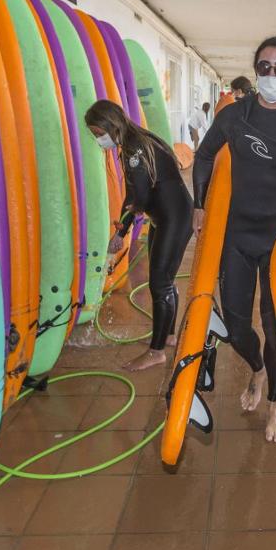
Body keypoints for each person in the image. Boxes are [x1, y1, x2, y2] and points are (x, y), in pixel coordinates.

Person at [193, 38, 276, 442]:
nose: (272, 75)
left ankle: (275, 405)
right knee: (236, 328)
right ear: (256, 70)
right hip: (236, 236)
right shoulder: (236, 116)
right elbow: (203, 155)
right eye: (265, 67)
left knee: (275, 329)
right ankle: (256, 369)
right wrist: (199, 204)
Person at [85, 100, 193, 371]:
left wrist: (121, 230)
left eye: (99, 133)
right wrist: (125, 223)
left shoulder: (134, 149)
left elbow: (138, 198)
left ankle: (156, 352)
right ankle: (168, 336)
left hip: (174, 218)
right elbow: (139, 196)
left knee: (160, 283)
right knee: (164, 280)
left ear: (112, 125)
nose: (99, 140)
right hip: (167, 216)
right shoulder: (139, 139)